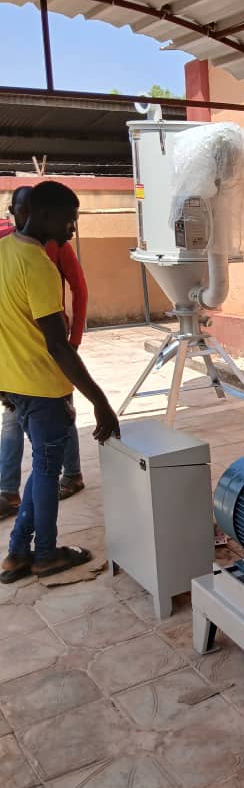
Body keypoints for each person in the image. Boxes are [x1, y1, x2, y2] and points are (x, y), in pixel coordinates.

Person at [0, 180, 119, 584]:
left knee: (42, 470)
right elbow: (57, 345)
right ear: (45, 214)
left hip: (16, 385)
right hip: (44, 388)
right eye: (69, 220)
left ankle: (17, 553)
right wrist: (100, 401)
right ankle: (46, 554)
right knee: (48, 472)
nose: (72, 229)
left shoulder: (4, 251)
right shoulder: (38, 265)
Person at [0, 187, 89, 519]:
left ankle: (72, 474)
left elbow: (79, 289)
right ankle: (9, 494)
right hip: (21, 362)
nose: (72, 228)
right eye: (20, 209)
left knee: (59, 422)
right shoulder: (10, 249)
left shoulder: (54, 249)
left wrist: (74, 342)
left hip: (52, 357)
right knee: (25, 431)